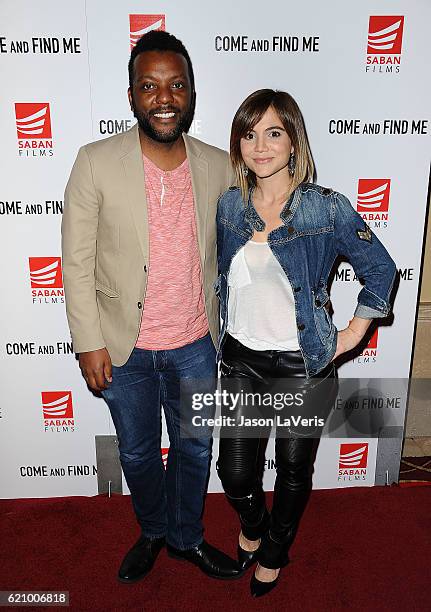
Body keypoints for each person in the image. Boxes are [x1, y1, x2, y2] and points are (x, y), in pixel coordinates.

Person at [61, 30, 240, 582]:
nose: (164, 98)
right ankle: (154, 531)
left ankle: (187, 537)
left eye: (176, 85)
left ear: (191, 93)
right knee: (138, 456)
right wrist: (88, 341)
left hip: (194, 347)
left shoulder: (218, 166)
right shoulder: (94, 162)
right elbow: (76, 260)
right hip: (124, 348)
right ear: (132, 95)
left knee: (192, 453)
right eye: (150, 86)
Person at [214, 89, 397, 597]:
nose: (260, 146)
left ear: (293, 140)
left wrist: (353, 333)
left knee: (294, 469)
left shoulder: (324, 208)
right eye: (249, 134)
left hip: (304, 363)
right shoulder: (229, 206)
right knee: (233, 470)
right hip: (240, 358)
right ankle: (254, 525)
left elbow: (379, 269)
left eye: (274, 132)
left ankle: (275, 546)